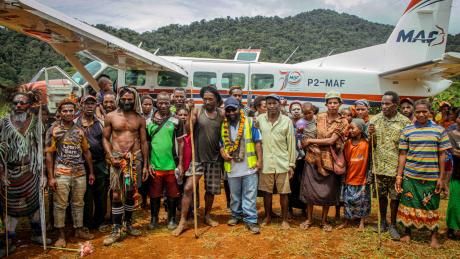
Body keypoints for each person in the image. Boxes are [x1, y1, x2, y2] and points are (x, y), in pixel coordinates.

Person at [396, 99, 451, 248]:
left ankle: (433, 237)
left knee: (432, 206)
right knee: (408, 204)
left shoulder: (439, 130)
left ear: (430, 112)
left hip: (431, 176)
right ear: (414, 112)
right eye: (418, 112)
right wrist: (399, 176)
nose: (421, 114)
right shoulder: (407, 130)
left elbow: (442, 155)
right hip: (411, 176)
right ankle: (407, 233)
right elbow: (402, 154)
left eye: (424, 111)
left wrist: (441, 178)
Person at [0, 91, 50, 255]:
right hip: (10, 172)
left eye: (22, 103)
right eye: (16, 103)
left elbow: (42, 150)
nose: (19, 106)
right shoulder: (3, 123)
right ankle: (10, 239)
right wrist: (1, 173)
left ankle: (36, 234)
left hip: (31, 170)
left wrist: (43, 174)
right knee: (9, 206)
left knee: (35, 204)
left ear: (29, 105)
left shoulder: (36, 123)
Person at [173, 86, 224, 236]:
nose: (207, 101)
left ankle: (207, 215)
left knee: (211, 190)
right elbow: (188, 130)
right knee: (188, 188)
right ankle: (183, 221)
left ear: (216, 99)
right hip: (198, 158)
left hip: (215, 158)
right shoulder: (197, 110)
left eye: (210, 99)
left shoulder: (221, 113)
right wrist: (189, 113)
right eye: (205, 99)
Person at [102, 86, 150, 246]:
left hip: (134, 159)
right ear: (119, 99)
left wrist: (145, 165)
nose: (127, 102)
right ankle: (116, 229)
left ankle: (128, 224)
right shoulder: (110, 116)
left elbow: (144, 142)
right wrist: (110, 156)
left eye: (130, 99)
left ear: (134, 100)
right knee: (116, 194)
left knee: (131, 193)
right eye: (124, 99)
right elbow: (105, 138)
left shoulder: (140, 118)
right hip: (116, 159)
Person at [46, 98, 95, 248]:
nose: (68, 113)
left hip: (80, 172)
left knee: (78, 203)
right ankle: (61, 235)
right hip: (61, 172)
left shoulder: (80, 130)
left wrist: (91, 172)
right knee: (60, 205)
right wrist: (51, 177)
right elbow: (49, 155)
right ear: (60, 113)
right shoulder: (54, 130)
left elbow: (86, 152)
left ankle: (78, 230)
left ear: (75, 112)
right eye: (65, 111)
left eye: (71, 111)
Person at [300, 91, 348, 232]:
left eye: (335, 102)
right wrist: (306, 142)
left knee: (327, 192)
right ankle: (309, 219)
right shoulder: (319, 117)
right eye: (330, 103)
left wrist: (310, 141)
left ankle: (324, 220)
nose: (333, 105)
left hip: (330, 160)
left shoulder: (343, 121)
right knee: (310, 190)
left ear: (340, 104)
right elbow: (309, 131)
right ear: (326, 104)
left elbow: (331, 140)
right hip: (313, 157)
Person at [368, 91, 411, 240]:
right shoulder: (375, 119)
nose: (383, 106)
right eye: (382, 103)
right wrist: (371, 134)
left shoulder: (405, 122)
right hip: (379, 166)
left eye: (387, 104)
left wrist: (401, 171)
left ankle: (392, 224)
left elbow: (407, 148)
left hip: (395, 168)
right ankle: (383, 222)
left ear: (395, 105)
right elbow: (371, 145)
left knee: (395, 197)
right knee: (381, 196)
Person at [220, 97, 262, 234]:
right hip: (232, 167)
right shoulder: (223, 125)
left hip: (249, 166)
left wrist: (259, 160)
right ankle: (236, 215)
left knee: (250, 194)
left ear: (239, 108)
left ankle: (251, 220)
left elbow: (257, 142)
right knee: (235, 195)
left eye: (234, 109)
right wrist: (222, 153)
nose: (231, 112)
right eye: (228, 110)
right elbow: (220, 143)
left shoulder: (250, 122)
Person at [257, 94, 296, 229]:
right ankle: (268, 216)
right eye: (269, 103)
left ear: (279, 104)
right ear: (266, 105)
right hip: (266, 162)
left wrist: (291, 164)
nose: (272, 106)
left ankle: (284, 219)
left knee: (284, 192)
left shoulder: (287, 121)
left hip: (282, 161)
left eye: (274, 103)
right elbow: (256, 141)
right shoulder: (259, 119)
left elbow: (291, 143)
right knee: (267, 192)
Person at [146, 92, 184, 231]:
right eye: (161, 103)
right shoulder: (149, 121)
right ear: (156, 103)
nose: (163, 105)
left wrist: (180, 163)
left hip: (171, 165)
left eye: (166, 103)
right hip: (155, 165)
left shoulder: (176, 121)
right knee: (155, 194)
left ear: (170, 103)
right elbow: (146, 143)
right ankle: (154, 219)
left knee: (173, 194)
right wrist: (148, 162)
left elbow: (181, 143)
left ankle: (172, 219)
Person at [76, 95, 108, 231]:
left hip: (100, 163)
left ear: (96, 106)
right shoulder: (74, 123)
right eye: (86, 103)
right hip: (80, 164)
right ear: (80, 105)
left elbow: (107, 141)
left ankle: (100, 221)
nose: (89, 106)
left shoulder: (101, 123)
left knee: (101, 194)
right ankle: (86, 223)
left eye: (92, 103)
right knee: (84, 194)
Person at [338, 118, 371, 230]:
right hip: (350, 177)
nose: (351, 130)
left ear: (361, 129)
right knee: (348, 200)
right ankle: (347, 220)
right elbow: (345, 160)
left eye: (353, 128)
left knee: (363, 201)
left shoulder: (366, 144)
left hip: (362, 178)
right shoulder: (347, 144)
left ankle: (361, 222)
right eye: (350, 128)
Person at [288, 101, 306, 217]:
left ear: (301, 111)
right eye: (293, 109)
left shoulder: (303, 122)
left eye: (298, 109)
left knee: (302, 183)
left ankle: (303, 209)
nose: (296, 111)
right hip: (290, 157)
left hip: (302, 158)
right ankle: (289, 209)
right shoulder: (287, 122)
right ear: (290, 111)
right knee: (289, 183)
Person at [446, 108, 460, 239]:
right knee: (455, 203)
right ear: (457, 118)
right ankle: (452, 228)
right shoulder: (451, 134)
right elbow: (454, 152)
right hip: (457, 173)